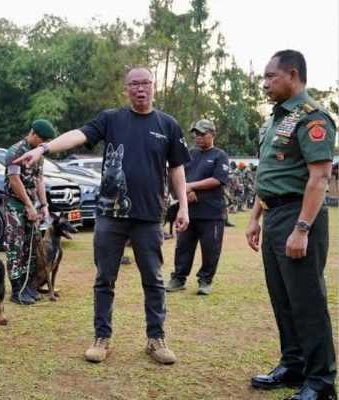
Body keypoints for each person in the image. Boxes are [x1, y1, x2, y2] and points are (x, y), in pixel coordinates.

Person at [14, 67, 190, 365]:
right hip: (110, 214)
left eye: (145, 83)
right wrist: (44, 148)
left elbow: (176, 168)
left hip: (149, 215)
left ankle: (156, 338)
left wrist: (182, 205)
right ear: (126, 89)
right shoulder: (111, 119)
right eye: (134, 84)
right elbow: (77, 135)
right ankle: (102, 337)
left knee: (154, 279)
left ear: (154, 86)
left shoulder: (168, 125)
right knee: (104, 278)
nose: (140, 89)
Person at [246, 50, 337, 400]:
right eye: (264, 78)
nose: (265, 84)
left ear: (293, 75)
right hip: (274, 215)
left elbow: (320, 178)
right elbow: (270, 174)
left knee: (307, 301)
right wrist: (255, 217)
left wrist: (302, 228)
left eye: (271, 77)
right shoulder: (276, 119)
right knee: (283, 298)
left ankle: (321, 382)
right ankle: (294, 364)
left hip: (299, 215)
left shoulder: (313, 118)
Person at [166, 119, 229, 295]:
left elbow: (218, 179)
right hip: (188, 211)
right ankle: (178, 278)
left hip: (211, 212)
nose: (198, 137)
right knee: (183, 247)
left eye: (202, 134)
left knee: (210, 249)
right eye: (196, 134)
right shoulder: (189, 154)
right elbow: (176, 175)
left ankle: (205, 280)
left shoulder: (219, 155)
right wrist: (183, 193)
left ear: (213, 134)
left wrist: (191, 186)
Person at [4, 119, 55, 305]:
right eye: (42, 139)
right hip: (15, 206)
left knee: (32, 248)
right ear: (33, 133)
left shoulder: (38, 154)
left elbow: (39, 179)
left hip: (31, 206)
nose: (43, 143)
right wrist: (28, 205)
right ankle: (17, 290)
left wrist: (44, 205)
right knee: (16, 248)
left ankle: (29, 287)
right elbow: (14, 180)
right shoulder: (15, 151)